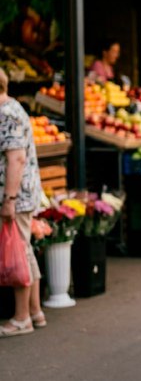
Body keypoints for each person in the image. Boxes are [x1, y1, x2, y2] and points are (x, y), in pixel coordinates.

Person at [0, 68, 46, 337]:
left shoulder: (7, 114)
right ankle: (35, 311)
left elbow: (15, 159)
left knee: (16, 254)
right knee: (24, 250)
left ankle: (21, 318)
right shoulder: (13, 108)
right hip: (21, 194)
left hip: (16, 195)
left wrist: (9, 200)